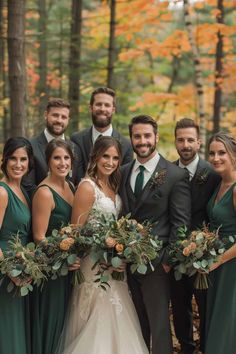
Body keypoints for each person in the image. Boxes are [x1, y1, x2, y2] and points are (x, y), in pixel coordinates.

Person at [57, 136, 148, 354]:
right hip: (93, 265)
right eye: (106, 156)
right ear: (95, 156)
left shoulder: (113, 185)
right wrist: (101, 250)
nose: (110, 162)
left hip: (114, 263)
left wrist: (121, 251)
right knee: (95, 316)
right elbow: (76, 232)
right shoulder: (87, 187)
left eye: (115, 158)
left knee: (118, 313)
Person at [119, 115, 191, 354]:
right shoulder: (123, 171)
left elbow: (180, 225)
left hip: (157, 265)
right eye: (137, 136)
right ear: (131, 139)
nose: (142, 141)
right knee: (135, 324)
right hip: (126, 263)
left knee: (159, 327)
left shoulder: (174, 175)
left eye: (147, 135)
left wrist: (167, 262)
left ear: (156, 137)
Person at [170, 118, 220, 354]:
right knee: (180, 309)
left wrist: (209, 248)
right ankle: (187, 348)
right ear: (175, 142)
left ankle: (209, 347)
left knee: (207, 307)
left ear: (199, 142)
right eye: (181, 140)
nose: (186, 144)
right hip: (176, 255)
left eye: (190, 140)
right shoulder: (167, 172)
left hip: (205, 257)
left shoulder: (212, 173)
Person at [31, 139, 79, 354]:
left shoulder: (70, 186)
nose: (62, 163)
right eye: (57, 158)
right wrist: (63, 257)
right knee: (53, 321)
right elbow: (39, 237)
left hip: (70, 268)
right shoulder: (44, 192)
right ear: (48, 161)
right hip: (53, 269)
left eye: (66, 158)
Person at [0, 137, 34, 354]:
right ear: (4, 160)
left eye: (23, 159)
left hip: (22, 271)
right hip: (6, 272)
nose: (18, 164)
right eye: (13, 158)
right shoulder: (2, 192)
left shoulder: (24, 191)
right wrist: (11, 271)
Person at [204, 132, 236, 354]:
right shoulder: (219, 184)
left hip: (231, 266)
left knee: (227, 326)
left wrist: (217, 260)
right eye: (212, 153)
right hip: (217, 265)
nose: (216, 158)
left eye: (221, 153)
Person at [71, 87, 133, 183]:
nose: (102, 109)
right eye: (98, 104)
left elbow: (125, 181)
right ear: (91, 108)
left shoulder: (126, 145)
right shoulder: (76, 139)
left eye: (107, 105)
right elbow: (75, 175)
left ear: (113, 110)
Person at [23, 98, 79, 196]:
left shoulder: (74, 148)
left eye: (63, 117)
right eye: (55, 115)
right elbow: (27, 185)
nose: (59, 120)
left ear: (68, 120)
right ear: (46, 115)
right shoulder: (31, 146)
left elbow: (77, 182)